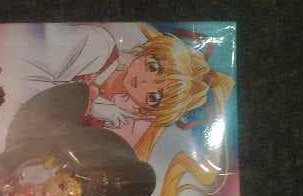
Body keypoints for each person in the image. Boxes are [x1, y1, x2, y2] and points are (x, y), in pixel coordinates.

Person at [26, 24, 234, 130]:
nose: (144, 82)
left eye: (154, 96)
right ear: (148, 52)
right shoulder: (97, 45)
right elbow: (22, 81)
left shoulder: (109, 114)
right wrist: (86, 105)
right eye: (153, 67)